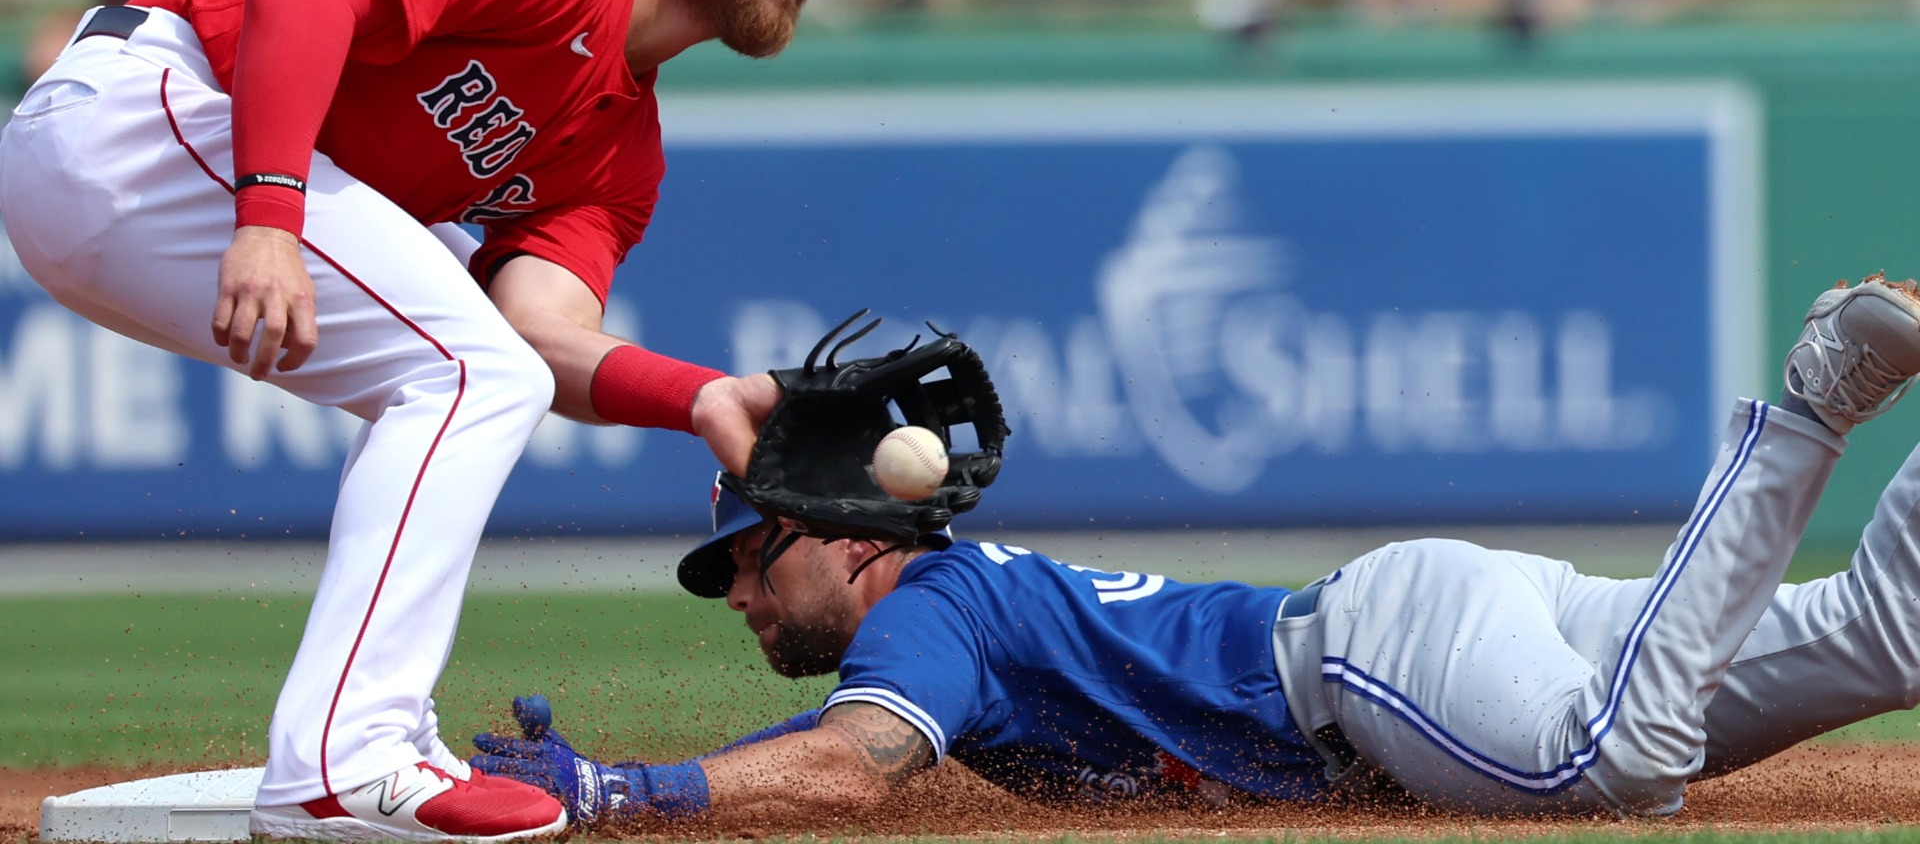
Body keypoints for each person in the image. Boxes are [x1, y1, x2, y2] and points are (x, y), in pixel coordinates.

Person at [0, 0, 898, 843]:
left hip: (165, 177)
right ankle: (347, 755)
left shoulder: (621, 152)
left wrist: (700, 397)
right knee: (467, 373)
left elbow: (540, 338)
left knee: (482, 368)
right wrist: (271, 217)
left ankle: (357, 740)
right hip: (147, 108)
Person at [473, 274, 1920, 823]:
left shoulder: (932, 614)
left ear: (848, 539)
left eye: (748, 553)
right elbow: (859, 737)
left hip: (1377, 669)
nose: (737, 590)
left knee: (1619, 762)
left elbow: (859, 765)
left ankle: (1811, 400)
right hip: (1436, 627)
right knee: (1883, 637)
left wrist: (620, 792)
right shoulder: (953, 607)